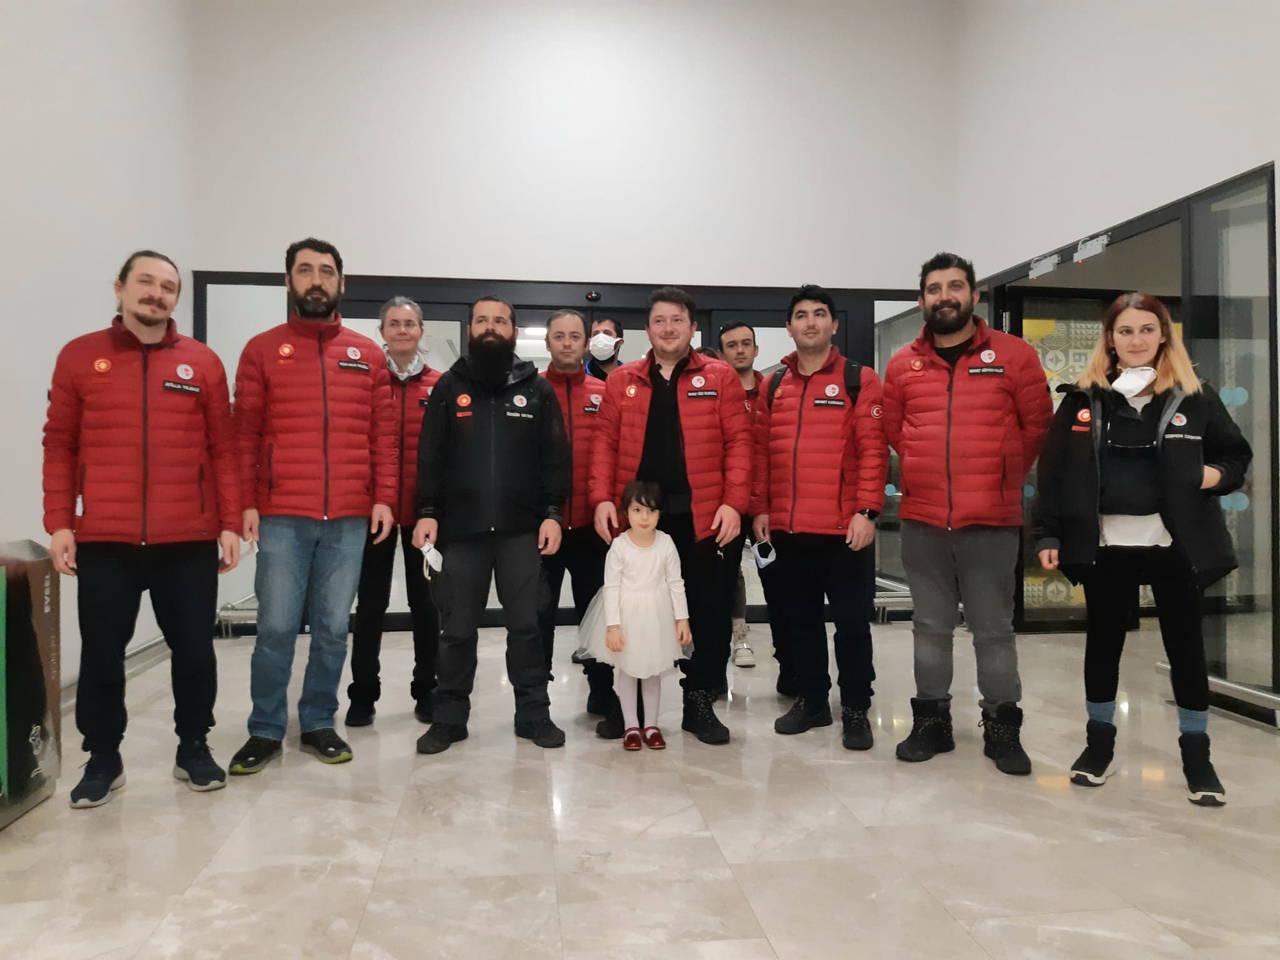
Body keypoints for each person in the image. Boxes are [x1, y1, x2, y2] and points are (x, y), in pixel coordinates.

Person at [1034, 293, 1250, 806]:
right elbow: (1053, 474)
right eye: (1125, 331)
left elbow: (1235, 455)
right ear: (1110, 339)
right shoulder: (1082, 400)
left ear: (1163, 336)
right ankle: (1098, 746)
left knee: (1186, 650)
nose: (1136, 340)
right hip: (1105, 547)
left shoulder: (1195, 396)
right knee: (1103, 646)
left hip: (1175, 547)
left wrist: (1213, 475)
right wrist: (1047, 535)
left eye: (1147, 330)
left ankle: (1197, 757)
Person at [43, 250, 241, 807]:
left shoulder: (202, 362)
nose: (156, 293)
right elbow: (59, 444)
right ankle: (103, 758)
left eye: (167, 286)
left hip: (188, 538)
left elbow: (224, 450)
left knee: (195, 652)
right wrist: (59, 522)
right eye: (146, 282)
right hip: (105, 538)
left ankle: (193, 747)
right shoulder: (80, 356)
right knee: (103, 655)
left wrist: (229, 522)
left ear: (176, 298)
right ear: (121, 288)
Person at [230, 238, 397, 774]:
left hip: (348, 517)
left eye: (326, 271)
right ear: (289, 282)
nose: (316, 280)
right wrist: (245, 503)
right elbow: (243, 434)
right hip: (282, 515)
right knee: (277, 628)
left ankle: (319, 720)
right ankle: (265, 728)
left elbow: (383, 435)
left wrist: (384, 497)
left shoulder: (367, 353)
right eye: (305, 271)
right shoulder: (262, 350)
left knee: (331, 628)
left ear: (341, 283)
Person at [882, 252, 1052, 775]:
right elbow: (895, 431)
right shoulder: (903, 365)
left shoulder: (1015, 355)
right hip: (924, 520)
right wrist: (923, 468)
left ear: (973, 296)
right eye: (934, 289)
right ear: (922, 300)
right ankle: (931, 723)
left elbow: (1036, 427)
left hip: (991, 520)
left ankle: (1003, 729)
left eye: (955, 286)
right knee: (930, 627)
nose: (945, 297)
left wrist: (1000, 474)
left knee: (993, 630)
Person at [589, 286, 751, 744]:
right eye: (659, 320)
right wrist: (602, 498)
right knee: (636, 610)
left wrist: (734, 503)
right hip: (639, 520)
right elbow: (604, 444)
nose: (668, 328)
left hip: (703, 519)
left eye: (677, 320)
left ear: (693, 327)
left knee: (707, 612)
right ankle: (632, 709)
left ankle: (699, 702)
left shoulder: (720, 376)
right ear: (647, 329)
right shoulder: (623, 381)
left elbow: (740, 443)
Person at [413, 296, 571, 754]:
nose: (490, 327)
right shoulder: (449, 387)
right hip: (461, 534)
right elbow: (430, 456)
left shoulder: (537, 390)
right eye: (482, 320)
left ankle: (533, 714)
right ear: (470, 329)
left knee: (526, 627)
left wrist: (553, 514)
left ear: (513, 332)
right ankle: (449, 718)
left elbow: (555, 459)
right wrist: (427, 511)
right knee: (457, 631)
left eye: (499, 321)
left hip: (522, 532)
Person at [751, 285, 887, 750]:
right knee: (801, 623)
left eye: (819, 314)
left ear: (833, 324)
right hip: (788, 530)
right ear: (789, 327)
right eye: (802, 315)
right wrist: (762, 508)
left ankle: (856, 708)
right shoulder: (773, 385)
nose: (810, 322)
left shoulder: (858, 379)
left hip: (843, 531)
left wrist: (867, 511)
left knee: (852, 626)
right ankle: (812, 702)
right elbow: (762, 454)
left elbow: (873, 451)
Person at [345, 297, 442, 727]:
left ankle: (428, 690)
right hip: (374, 512)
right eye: (394, 324)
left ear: (421, 331)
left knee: (427, 606)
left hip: (425, 515)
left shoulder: (440, 385)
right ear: (382, 331)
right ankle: (363, 694)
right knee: (370, 606)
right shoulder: (365, 381)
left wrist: (436, 507)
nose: (403, 330)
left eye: (410, 323)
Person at [538, 309, 615, 720]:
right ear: (548, 342)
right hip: (542, 527)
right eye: (559, 336)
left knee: (597, 614)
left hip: (592, 528)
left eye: (574, 336)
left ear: (586, 343)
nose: (567, 343)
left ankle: (601, 691)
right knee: (538, 616)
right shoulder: (531, 391)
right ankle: (536, 698)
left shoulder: (606, 392)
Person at [577, 481, 692, 749]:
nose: (644, 517)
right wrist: (612, 626)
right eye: (637, 510)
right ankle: (630, 725)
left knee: (652, 672)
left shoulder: (666, 543)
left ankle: (651, 725)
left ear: (659, 514)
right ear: (626, 513)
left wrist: (682, 618)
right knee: (628, 671)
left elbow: (676, 583)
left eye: (651, 511)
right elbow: (611, 587)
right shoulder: (620, 546)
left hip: (657, 616)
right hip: (626, 617)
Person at [719, 321, 765, 669]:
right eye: (732, 345)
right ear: (722, 354)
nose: (740, 350)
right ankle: (735, 641)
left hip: (767, 504)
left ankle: (790, 666)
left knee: (778, 579)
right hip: (726, 502)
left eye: (745, 343)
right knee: (726, 576)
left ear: (755, 349)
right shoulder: (715, 394)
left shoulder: (776, 391)